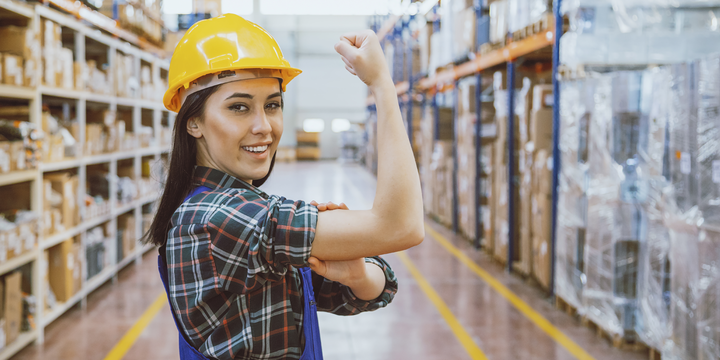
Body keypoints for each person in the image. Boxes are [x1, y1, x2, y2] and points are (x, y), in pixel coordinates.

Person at [146, 14, 424, 360]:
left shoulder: (253, 210)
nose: (264, 126)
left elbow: (376, 287)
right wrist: (382, 85)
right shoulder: (214, 219)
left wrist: (356, 273)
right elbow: (402, 225)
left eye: (272, 105)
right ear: (194, 123)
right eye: (239, 107)